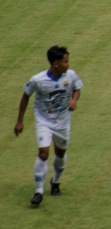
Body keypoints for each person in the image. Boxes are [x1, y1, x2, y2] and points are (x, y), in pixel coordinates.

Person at [14, 46, 84, 207]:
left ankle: (56, 182)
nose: (68, 64)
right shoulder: (38, 80)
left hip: (62, 122)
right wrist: (20, 121)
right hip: (44, 121)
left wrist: (74, 100)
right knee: (44, 153)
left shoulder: (70, 75)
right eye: (65, 62)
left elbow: (77, 88)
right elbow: (25, 96)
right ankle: (38, 191)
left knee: (60, 153)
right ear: (55, 64)